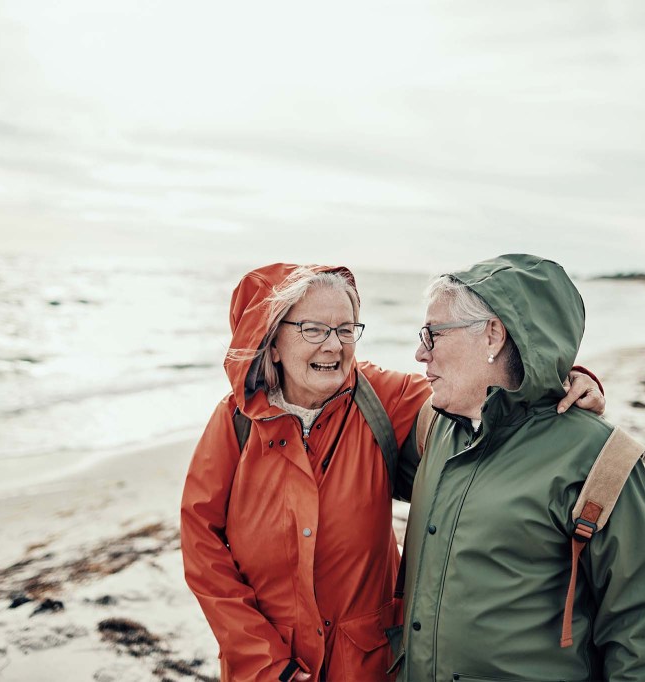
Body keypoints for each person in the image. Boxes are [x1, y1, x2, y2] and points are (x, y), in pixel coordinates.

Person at [181, 263, 607, 682]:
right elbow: (202, 544)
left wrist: (564, 379)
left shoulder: (383, 398)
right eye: (314, 330)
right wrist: (264, 663)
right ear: (273, 341)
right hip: (264, 664)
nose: (334, 346)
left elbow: (486, 390)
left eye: (346, 330)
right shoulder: (236, 420)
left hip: (368, 664)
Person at [395, 254, 645, 681]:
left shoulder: (601, 459)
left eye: (432, 335)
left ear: (492, 336)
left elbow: (636, 629)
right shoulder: (434, 429)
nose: (419, 352)